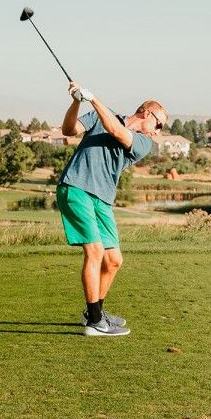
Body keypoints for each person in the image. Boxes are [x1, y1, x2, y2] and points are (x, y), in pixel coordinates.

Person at [57, 81, 167, 337]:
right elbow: (68, 129)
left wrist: (93, 98)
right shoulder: (97, 115)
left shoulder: (143, 142)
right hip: (76, 187)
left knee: (114, 260)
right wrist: (76, 101)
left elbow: (116, 131)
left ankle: (95, 312)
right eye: (159, 125)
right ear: (146, 113)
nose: (159, 132)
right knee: (94, 253)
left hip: (102, 199)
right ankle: (95, 321)